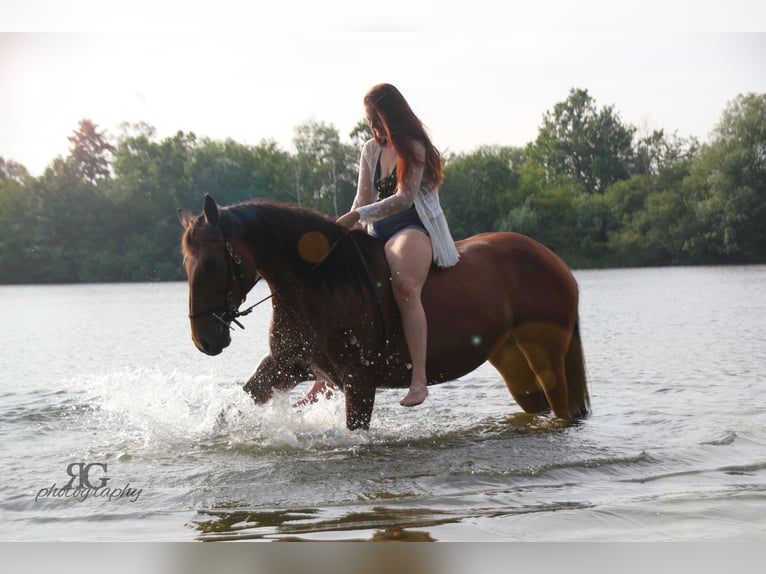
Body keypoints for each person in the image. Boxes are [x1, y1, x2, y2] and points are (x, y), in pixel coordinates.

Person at [301, 83, 460, 408]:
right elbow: (362, 199)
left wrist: (358, 214)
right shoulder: (370, 150)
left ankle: (419, 379)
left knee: (404, 285)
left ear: (392, 116)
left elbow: (404, 199)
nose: (372, 126)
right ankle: (326, 379)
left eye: (377, 118)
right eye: (369, 119)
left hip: (413, 228)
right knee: (340, 284)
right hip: (376, 230)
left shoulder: (414, 147)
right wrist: (342, 231)